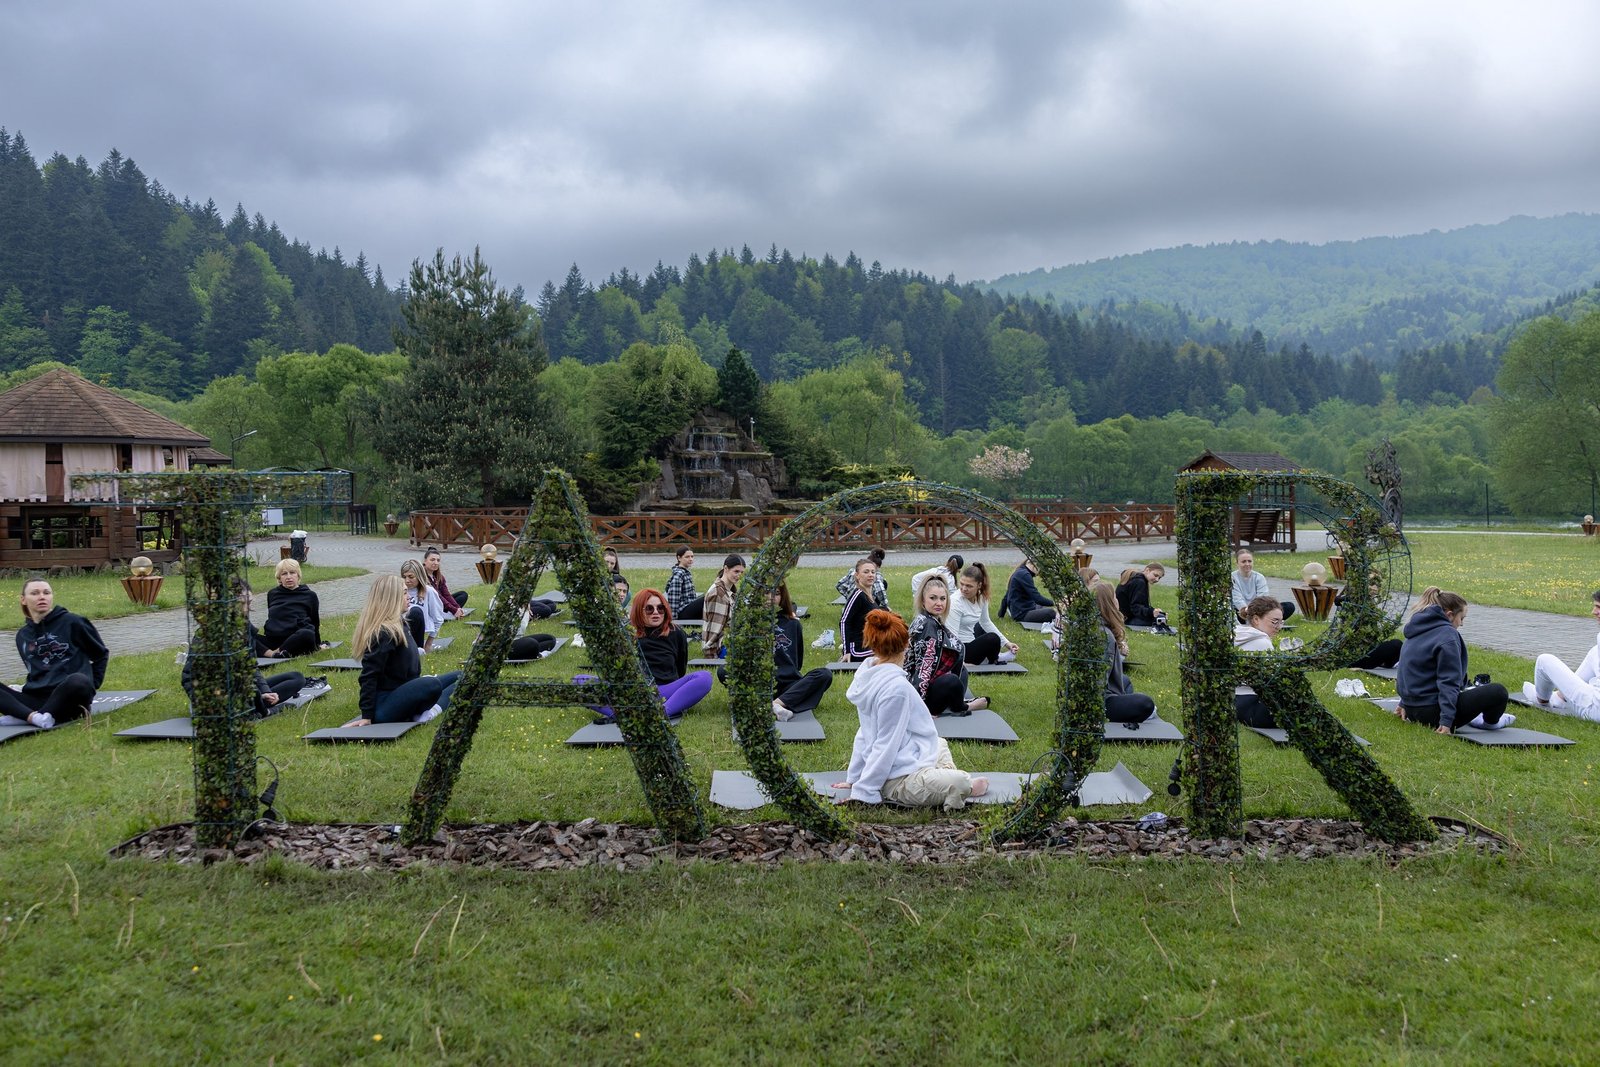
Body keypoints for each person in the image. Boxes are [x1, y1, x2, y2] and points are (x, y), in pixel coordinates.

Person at [835, 609, 989, 811]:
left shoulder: (868, 675)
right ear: (906, 645)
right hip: (897, 779)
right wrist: (863, 790)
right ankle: (960, 786)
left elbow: (865, 731)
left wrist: (853, 776)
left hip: (903, 757)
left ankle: (940, 778)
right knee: (959, 781)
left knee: (938, 743)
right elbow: (885, 744)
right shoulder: (895, 689)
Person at [343, 575, 460, 728]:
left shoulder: (400, 623)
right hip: (385, 706)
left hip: (403, 690)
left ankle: (428, 712)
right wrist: (367, 716)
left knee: (462, 676)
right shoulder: (384, 633)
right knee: (431, 684)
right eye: (404, 593)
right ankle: (425, 714)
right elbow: (369, 675)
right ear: (392, 598)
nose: (409, 597)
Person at [181, 581, 310, 719]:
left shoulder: (243, 630)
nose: (247, 608)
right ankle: (261, 710)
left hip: (244, 692)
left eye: (249, 603)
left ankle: (257, 704)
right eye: (242, 604)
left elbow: (252, 668)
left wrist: (265, 691)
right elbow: (188, 677)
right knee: (249, 692)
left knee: (297, 678)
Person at [1395, 590, 1512, 732]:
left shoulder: (1415, 628)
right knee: (1498, 692)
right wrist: (1446, 721)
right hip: (1433, 716)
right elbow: (1448, 681)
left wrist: (1404, 703)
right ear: (1450, 615)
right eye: (1461, 618)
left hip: (1412, 711)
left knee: (1470, 691)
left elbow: (1409, 671)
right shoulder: (1448, 635)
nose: (1461, 624)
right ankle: (1490, 723)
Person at [0, 578, 107, 729]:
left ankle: (26, 716)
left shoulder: (73, 622)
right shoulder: (23, 635)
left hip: (71, 698)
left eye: (46, 593)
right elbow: (36, 670)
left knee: (79, 680)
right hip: (37, 698)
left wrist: (91, 686)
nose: (42, 597)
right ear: (23, 600)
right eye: (35, 593)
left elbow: (101, 655)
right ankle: (35, 717)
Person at [721, 583, 833, 721]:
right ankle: (776, 703)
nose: (771, 597)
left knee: (824, 674)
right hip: (758, 685)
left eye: (777, 593)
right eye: (766, 592)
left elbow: (797, 661)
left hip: (788, 685)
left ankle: (775, 704)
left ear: (783, 597)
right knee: (724, 670)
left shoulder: (793, 624)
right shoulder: (747, 625)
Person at [593, 589, 711, 720]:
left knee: (704, 677)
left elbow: (680, 668)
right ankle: (624, 714)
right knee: (579, 681)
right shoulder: (625, 633)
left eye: (660, 608)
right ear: (639, 610)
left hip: (664, 690)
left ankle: (660, 713)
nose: (656, 612)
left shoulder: (676, 633)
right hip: (633, 692)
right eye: (649, 609)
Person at [905, 574, 988, 717]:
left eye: (943, 599)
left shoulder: (929, 619)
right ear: (923, 601)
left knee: (961, 671)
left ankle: (954, 702)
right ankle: (963, 706)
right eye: (933, 598)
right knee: (951, 681)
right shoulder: (927, 626)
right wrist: (920, 708)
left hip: (926, 683)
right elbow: (922, 671)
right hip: (919, 694)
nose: (939, 603)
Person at [1522, 588, 1600, 721]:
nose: (1594, 612)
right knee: (1595, 651)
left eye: (1598, 607)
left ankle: (1541, 699)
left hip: (1594, 710)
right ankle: (1559, 697)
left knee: (1544, 660)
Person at [1094, 582, 1155, 723]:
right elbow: (1098, 679)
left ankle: (1124, 704)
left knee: (1125, 681)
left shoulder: (1096, 626)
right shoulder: (1103, 636)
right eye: (1115, 597)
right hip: (1098, 702)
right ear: (1109, 603)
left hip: (1100, 692)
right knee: (1145, 703)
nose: (1118, 601)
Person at [950, 563, 1018, 665]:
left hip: (971, 640)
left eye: (969, 586)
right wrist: (960, 663)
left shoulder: (982, 598)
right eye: (962, 584)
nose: (963, 588)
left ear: (979, 585)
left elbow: (986, 622)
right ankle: (995, 657)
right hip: (961, 649)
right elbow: (951, 636)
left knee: (981, 627)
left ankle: (992, 656)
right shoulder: (955, 602)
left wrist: (1007, 643)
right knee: (992, 638)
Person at [1233, 595, 1285, 728]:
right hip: (1251, 706)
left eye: (1281, 622)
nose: (1279, 627)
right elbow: (1274, 680)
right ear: (1256, 619)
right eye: (1274, 622)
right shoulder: (1262, 642)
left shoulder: (1239, 633)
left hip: (1234, 701)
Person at [262, 558, 325, 658]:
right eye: (284, 574)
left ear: (298, 575)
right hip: (274, 639)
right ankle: (274, 654)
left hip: (296, 637)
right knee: (247, 636)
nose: (288, 577)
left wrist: (317, 644)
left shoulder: (310, 595)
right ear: (279, 577)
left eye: (292, 573)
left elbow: (315, 622)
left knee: (307, 634)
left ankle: (276, 652)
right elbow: (272, 617)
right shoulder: (272, 594)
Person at [700, 554, 746, 657]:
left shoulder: (729, 589)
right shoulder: (718, 593)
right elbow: (714, 629)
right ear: (725, 568)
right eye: (736, 571)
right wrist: (711, 655)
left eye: (742, 572)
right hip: (722, 647)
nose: (739, 575)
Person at [1230, 549, 1294, 623]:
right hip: (1241, 613)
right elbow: (1237, 600)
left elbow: (1263, 598)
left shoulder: (1259, 577)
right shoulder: (1232, 578)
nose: (1247, 564)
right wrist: (1246, 610)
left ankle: (1261, 621)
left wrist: (1255, 610)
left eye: (1249, 561)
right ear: (1237, 563)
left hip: (1259, 610)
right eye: (1243, 561)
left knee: (1289, 606)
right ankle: (1264, 622)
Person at [839, 556, 882, 662]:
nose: (870, 575)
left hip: (870, 644)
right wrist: (846, 651)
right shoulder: (858, 595)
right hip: (858, 649)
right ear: (857, 575)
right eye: (866, 572)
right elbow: (844, 621)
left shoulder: (871, 596)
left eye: (873, 572)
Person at [400, 559, 446, 653]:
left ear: (419, 576)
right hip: (400, 631)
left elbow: (438, 619)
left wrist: (428, 644)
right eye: (404, 577)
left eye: (411, 577)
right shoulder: (399, 590)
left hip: (416, 633)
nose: (407, 580)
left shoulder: (429, 592)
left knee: (415, 612)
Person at [1000, 557, 1055, 623]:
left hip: (1023, 609)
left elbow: (1006, 597)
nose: (1039, 573)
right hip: (1022, 613)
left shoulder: (1020, 572)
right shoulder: (1024, 575)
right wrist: (1054, 603)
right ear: (1034, 564)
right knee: (1051, 612)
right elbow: (1037, 598)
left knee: (1046, 609)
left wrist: (1001, 615)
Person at [1115, 564, 1168, 628]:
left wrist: (1154, 611)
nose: (1157, 580)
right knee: (1159, 618)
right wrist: (1151, 612)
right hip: (1126, 618)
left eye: (1159, 578)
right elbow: (1135, 607)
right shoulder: (1139, 582)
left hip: (1120, 615)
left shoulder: (1135, 578)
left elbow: (1138, 604)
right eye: (1155, 575)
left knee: (1160, 616)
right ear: (1147, 570)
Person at [422, 546, 469, 618]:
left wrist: (457, 608)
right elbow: (438, 597)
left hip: (442, 604)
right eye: (432, 560)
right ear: (425, 561)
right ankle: (447, 613)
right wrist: (453, 610)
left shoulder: (439, 576)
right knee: (443, 603)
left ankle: (452, 612)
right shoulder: (422, 576)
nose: (436, 563)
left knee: (463, 594)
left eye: (438, 560)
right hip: (431, 604)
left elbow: (446, 594)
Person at [666, 545, 702, 620]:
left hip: (689, 607)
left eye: (692, 556)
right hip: (682, 612)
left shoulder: (686, 572)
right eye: (687, 557)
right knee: (707, 598)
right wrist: (673, 619)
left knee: (709, 596)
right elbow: (673, 598)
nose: (691, 559)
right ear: (679, 558)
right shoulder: (679, 574)